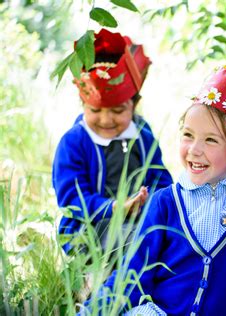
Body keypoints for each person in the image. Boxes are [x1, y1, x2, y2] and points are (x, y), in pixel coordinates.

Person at [83, 59, 226, 315]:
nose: (194, 150)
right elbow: (131, 275)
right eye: (188, 135)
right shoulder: (166, 202)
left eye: (211, 140)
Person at [52, 29, 173, 255]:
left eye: (118, 110)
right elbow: (72, 200)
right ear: (83, 103)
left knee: (173, 239)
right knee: (137, 243)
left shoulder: (143, 137)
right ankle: (91, 279)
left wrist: (146, 203)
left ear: (134, 105)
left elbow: (161, 181)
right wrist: (114, 208)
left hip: (139, 222)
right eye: (95, 110)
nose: (106, 120)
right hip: (87, 230)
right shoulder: (74, 142)